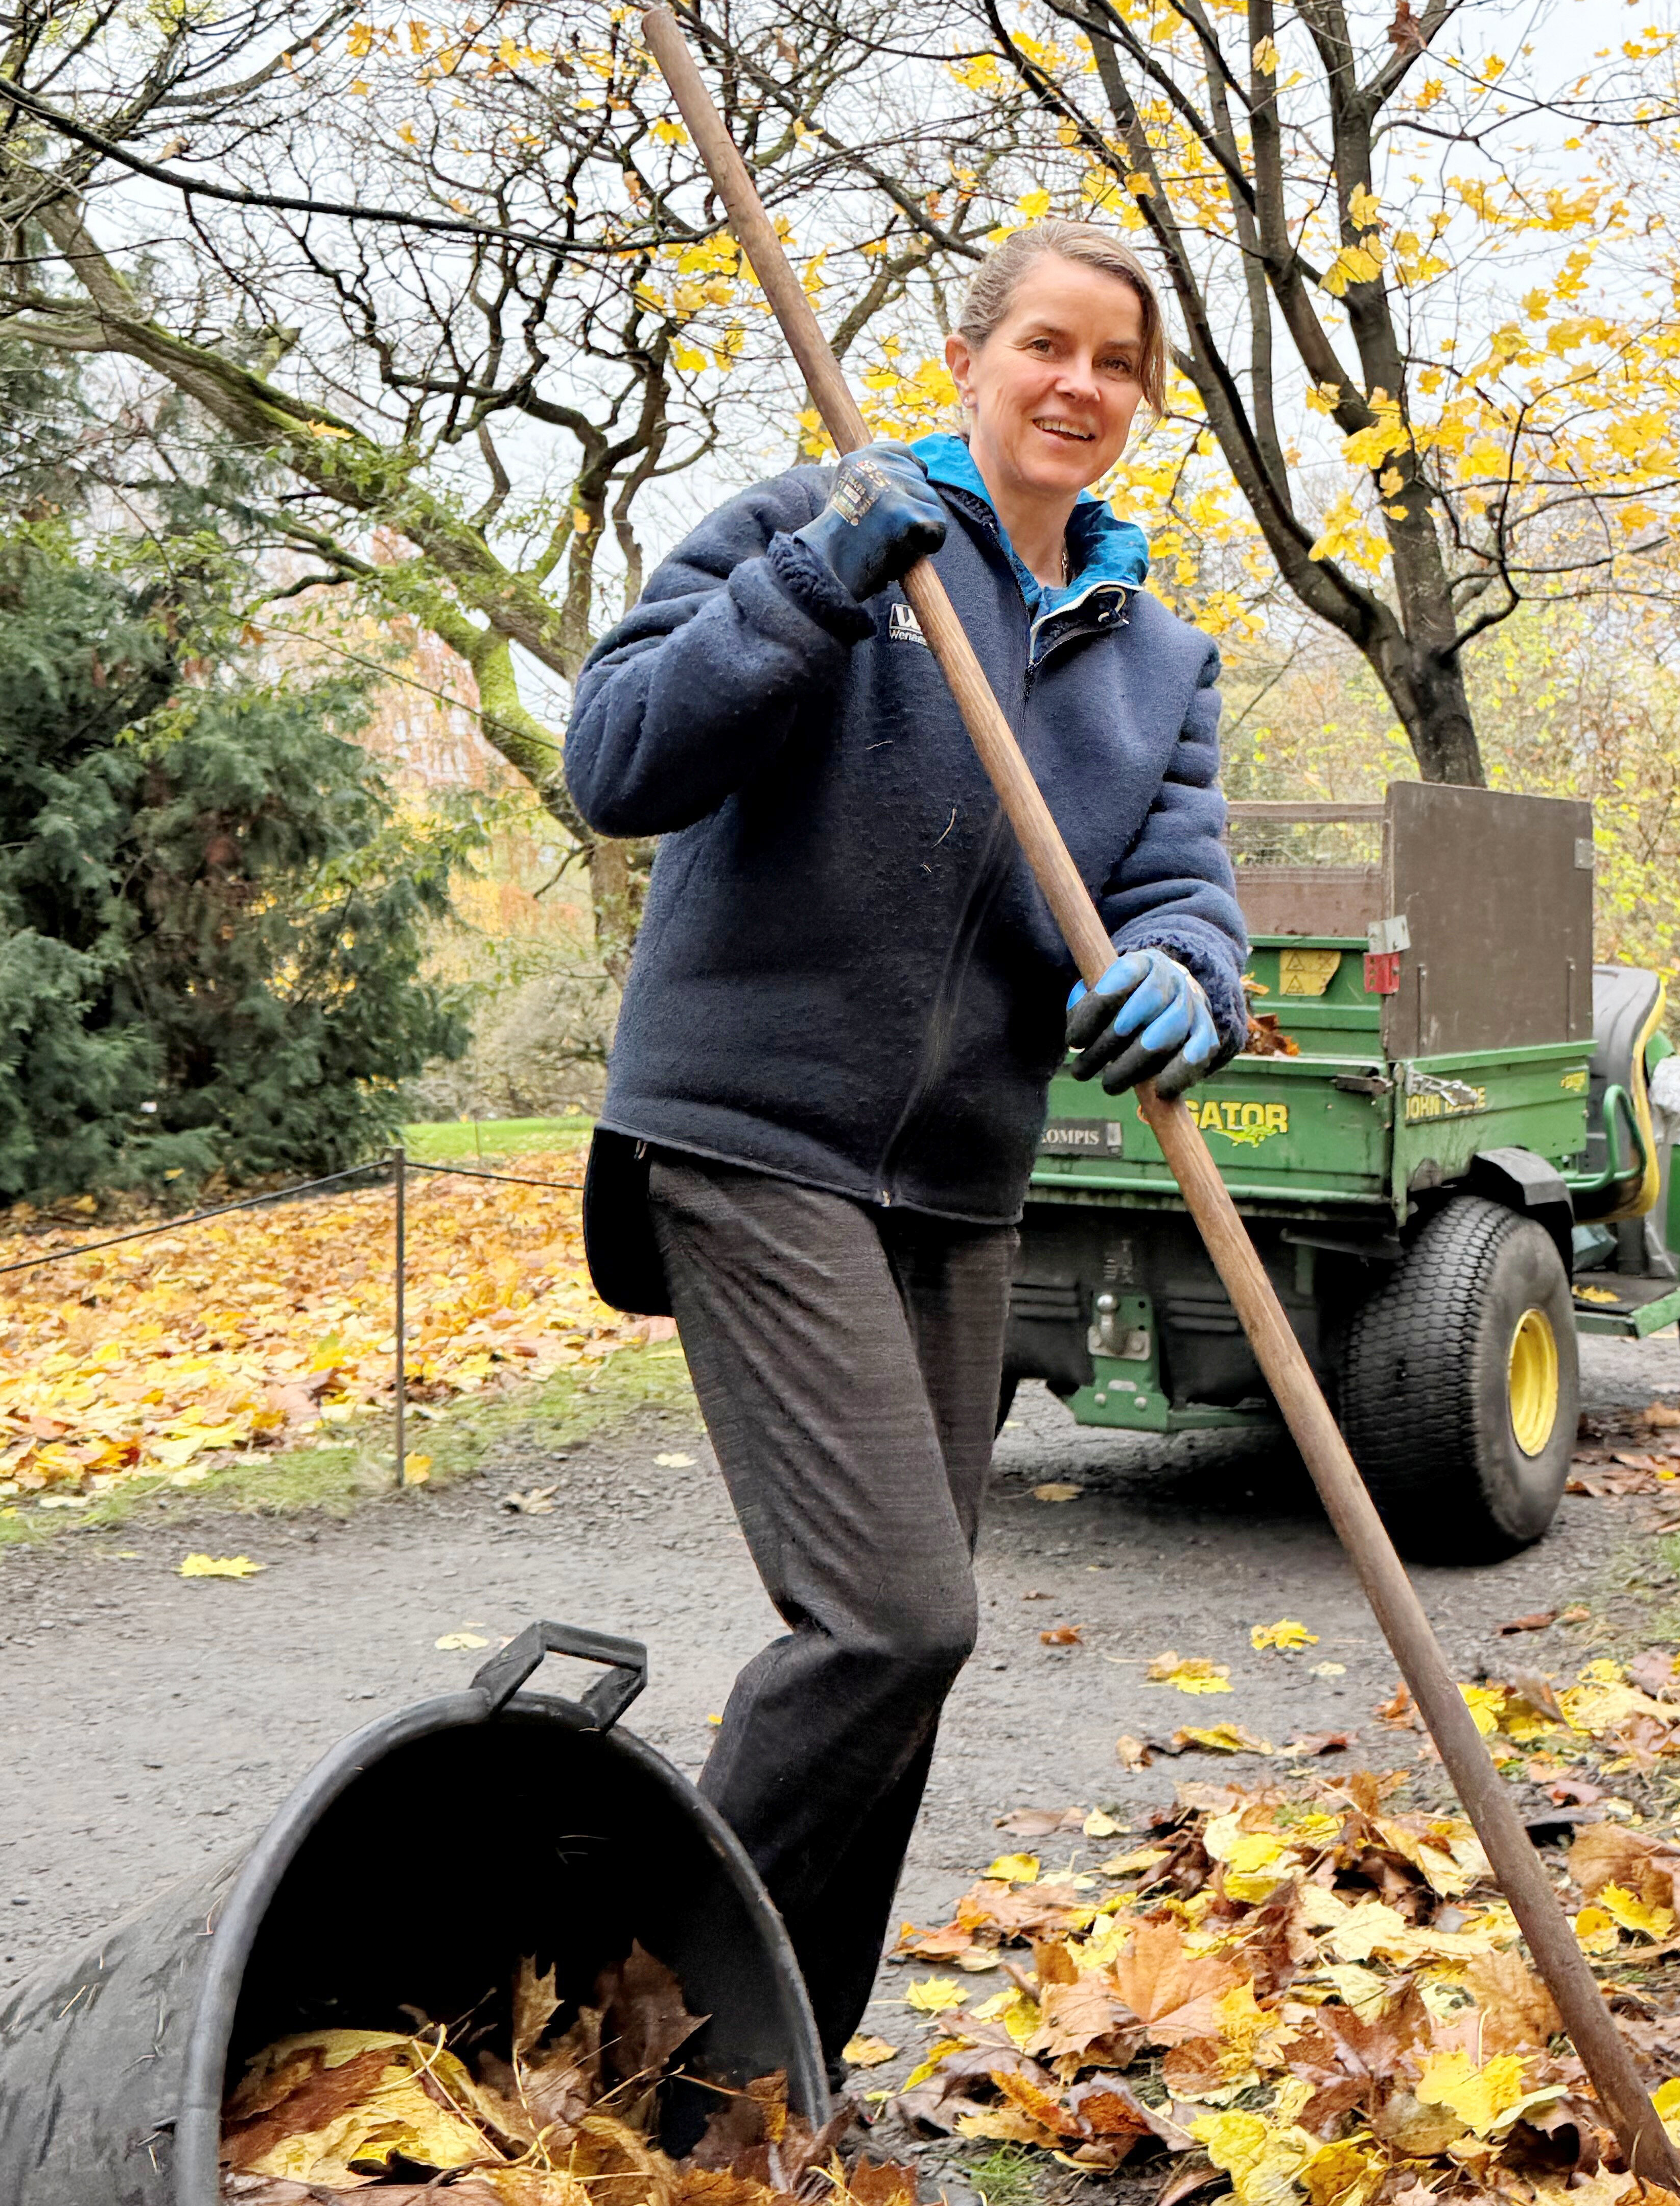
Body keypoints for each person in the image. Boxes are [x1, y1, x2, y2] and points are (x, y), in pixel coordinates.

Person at [562, 219, 1247, 2074]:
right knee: (891, 1618)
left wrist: (1186, 971)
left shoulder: (1154, 656)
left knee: (902, 1674)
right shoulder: (823, 519)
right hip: (749, 1136)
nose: (1078, 386)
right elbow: (618, 760)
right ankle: (630, 2035)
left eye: (1117, 365)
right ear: (971, 359)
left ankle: (774, 2082)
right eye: (1046, 344)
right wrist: (814, 584)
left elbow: (1179, 879)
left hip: (954, 1183)